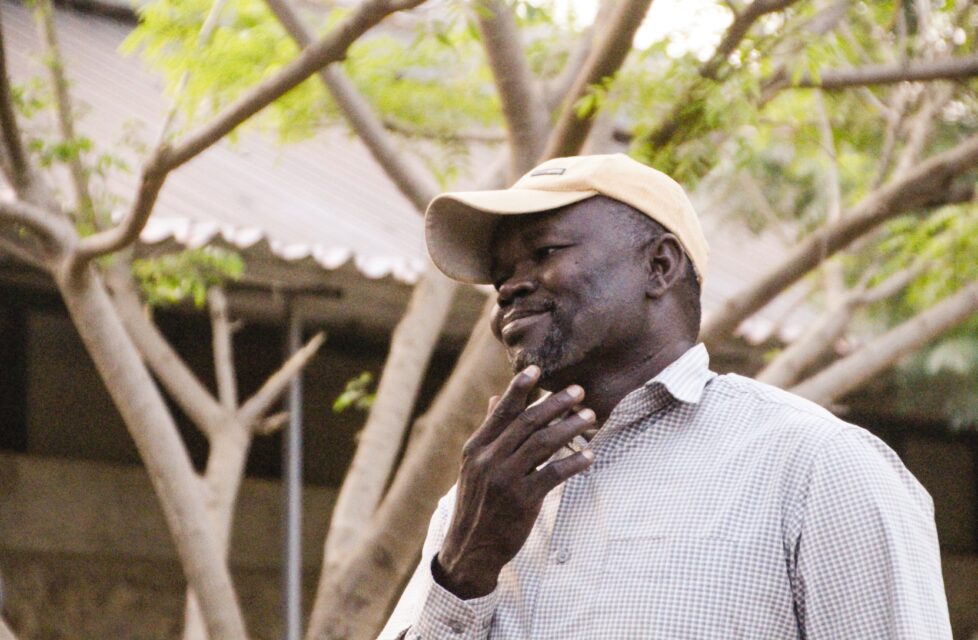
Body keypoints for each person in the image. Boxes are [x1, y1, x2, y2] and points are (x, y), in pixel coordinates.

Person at [379, 154, 951, 639]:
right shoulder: (479, 501)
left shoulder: (818, 466)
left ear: (659, 265)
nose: (509, 287)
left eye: (544, 252)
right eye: (500, 274)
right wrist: (462, 569)